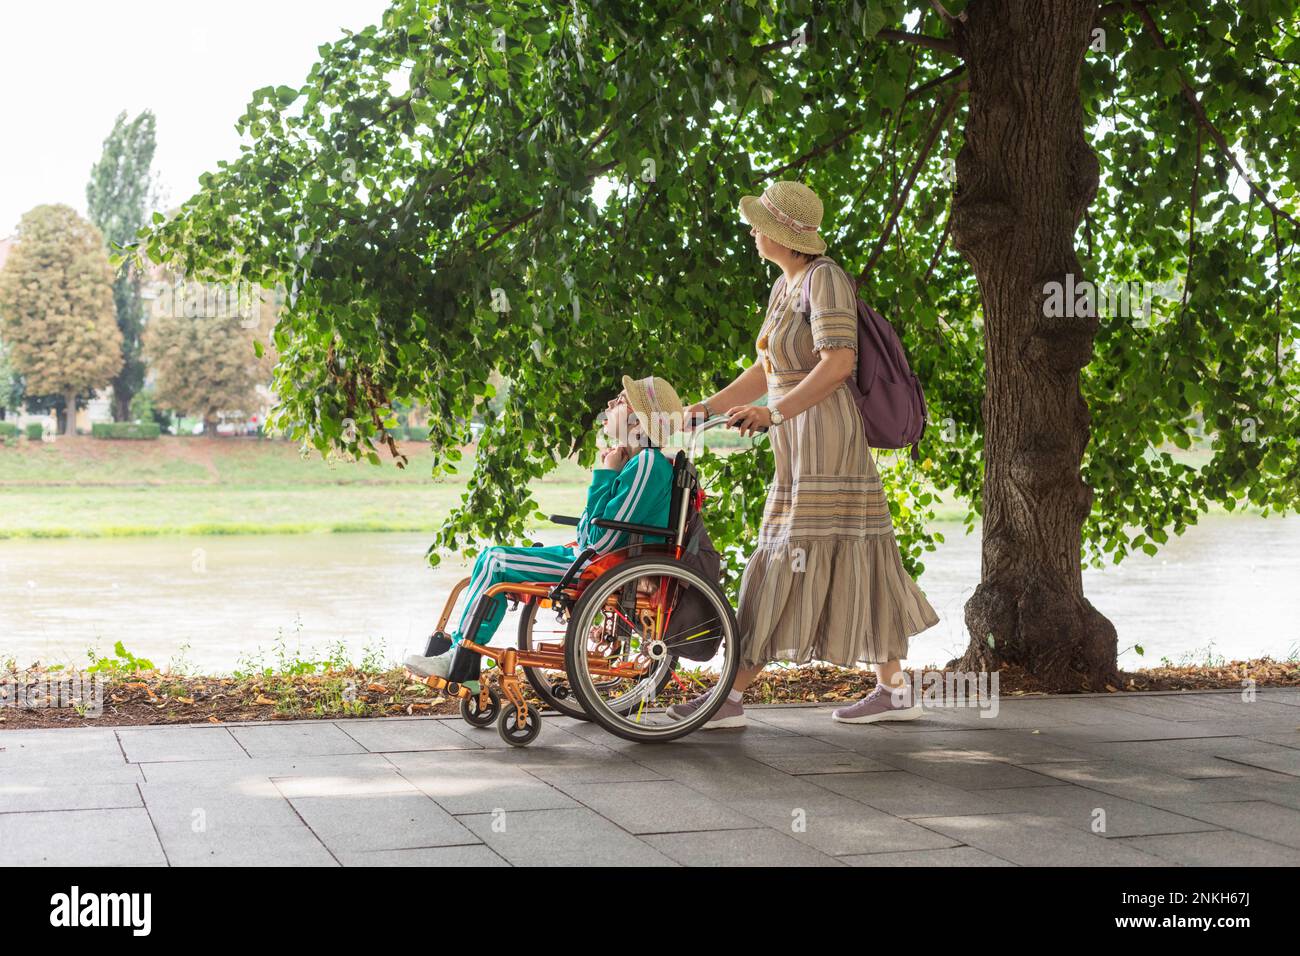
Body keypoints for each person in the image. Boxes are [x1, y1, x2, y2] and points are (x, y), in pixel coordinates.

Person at [670, 180, 940, 728]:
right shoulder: (784, 286)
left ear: (784, 235)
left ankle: (731, 695)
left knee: (785, 557)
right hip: (797, 438)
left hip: (824, 439)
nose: (751, 231)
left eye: (759, 223)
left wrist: (775, 412)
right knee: (853, 552)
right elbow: (767, 370)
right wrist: (709, 405)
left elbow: (838, 363)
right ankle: (894, 689)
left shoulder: (826, 280)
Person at [404, 374, 684, 692]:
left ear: (636, 421)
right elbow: (592, 532)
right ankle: (459, 658)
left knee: (495, 561)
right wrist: (609, 473)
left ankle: (461, 658)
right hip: (594, 559)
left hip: (602, 567)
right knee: (491, 559)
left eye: (619, 400)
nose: (609, 404)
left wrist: (604, 475)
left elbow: (599, 540)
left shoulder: (647, 465)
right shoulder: (637, 464)